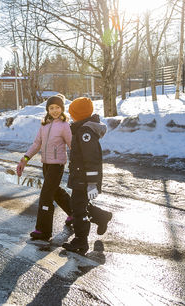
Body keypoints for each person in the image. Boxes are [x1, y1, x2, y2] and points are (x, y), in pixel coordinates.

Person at [16, 94, 73, 241]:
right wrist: (25, 159)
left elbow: (72, 145)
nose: (55, 110)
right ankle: (74, 214)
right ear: (47, 109)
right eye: (51, 107)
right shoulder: (44, 125)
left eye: (58, 107)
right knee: (55, 192)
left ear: (62, 109)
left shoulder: (64, 125)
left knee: (46, 195)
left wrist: (78, 162)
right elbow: (36, 144)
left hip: (57, 165)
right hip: (46, 164)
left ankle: (44, 230)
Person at [62, 97, 113, 255]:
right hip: (80, 177)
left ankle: (81, 241)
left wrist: (91, 183)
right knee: (78, 205)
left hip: (85, 179)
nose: (70, 117)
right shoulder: (80, 128)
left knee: (78, 208)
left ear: (79, 114)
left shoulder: (85, 132)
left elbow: (91, 159)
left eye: (73, 114)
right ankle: (101, 216)